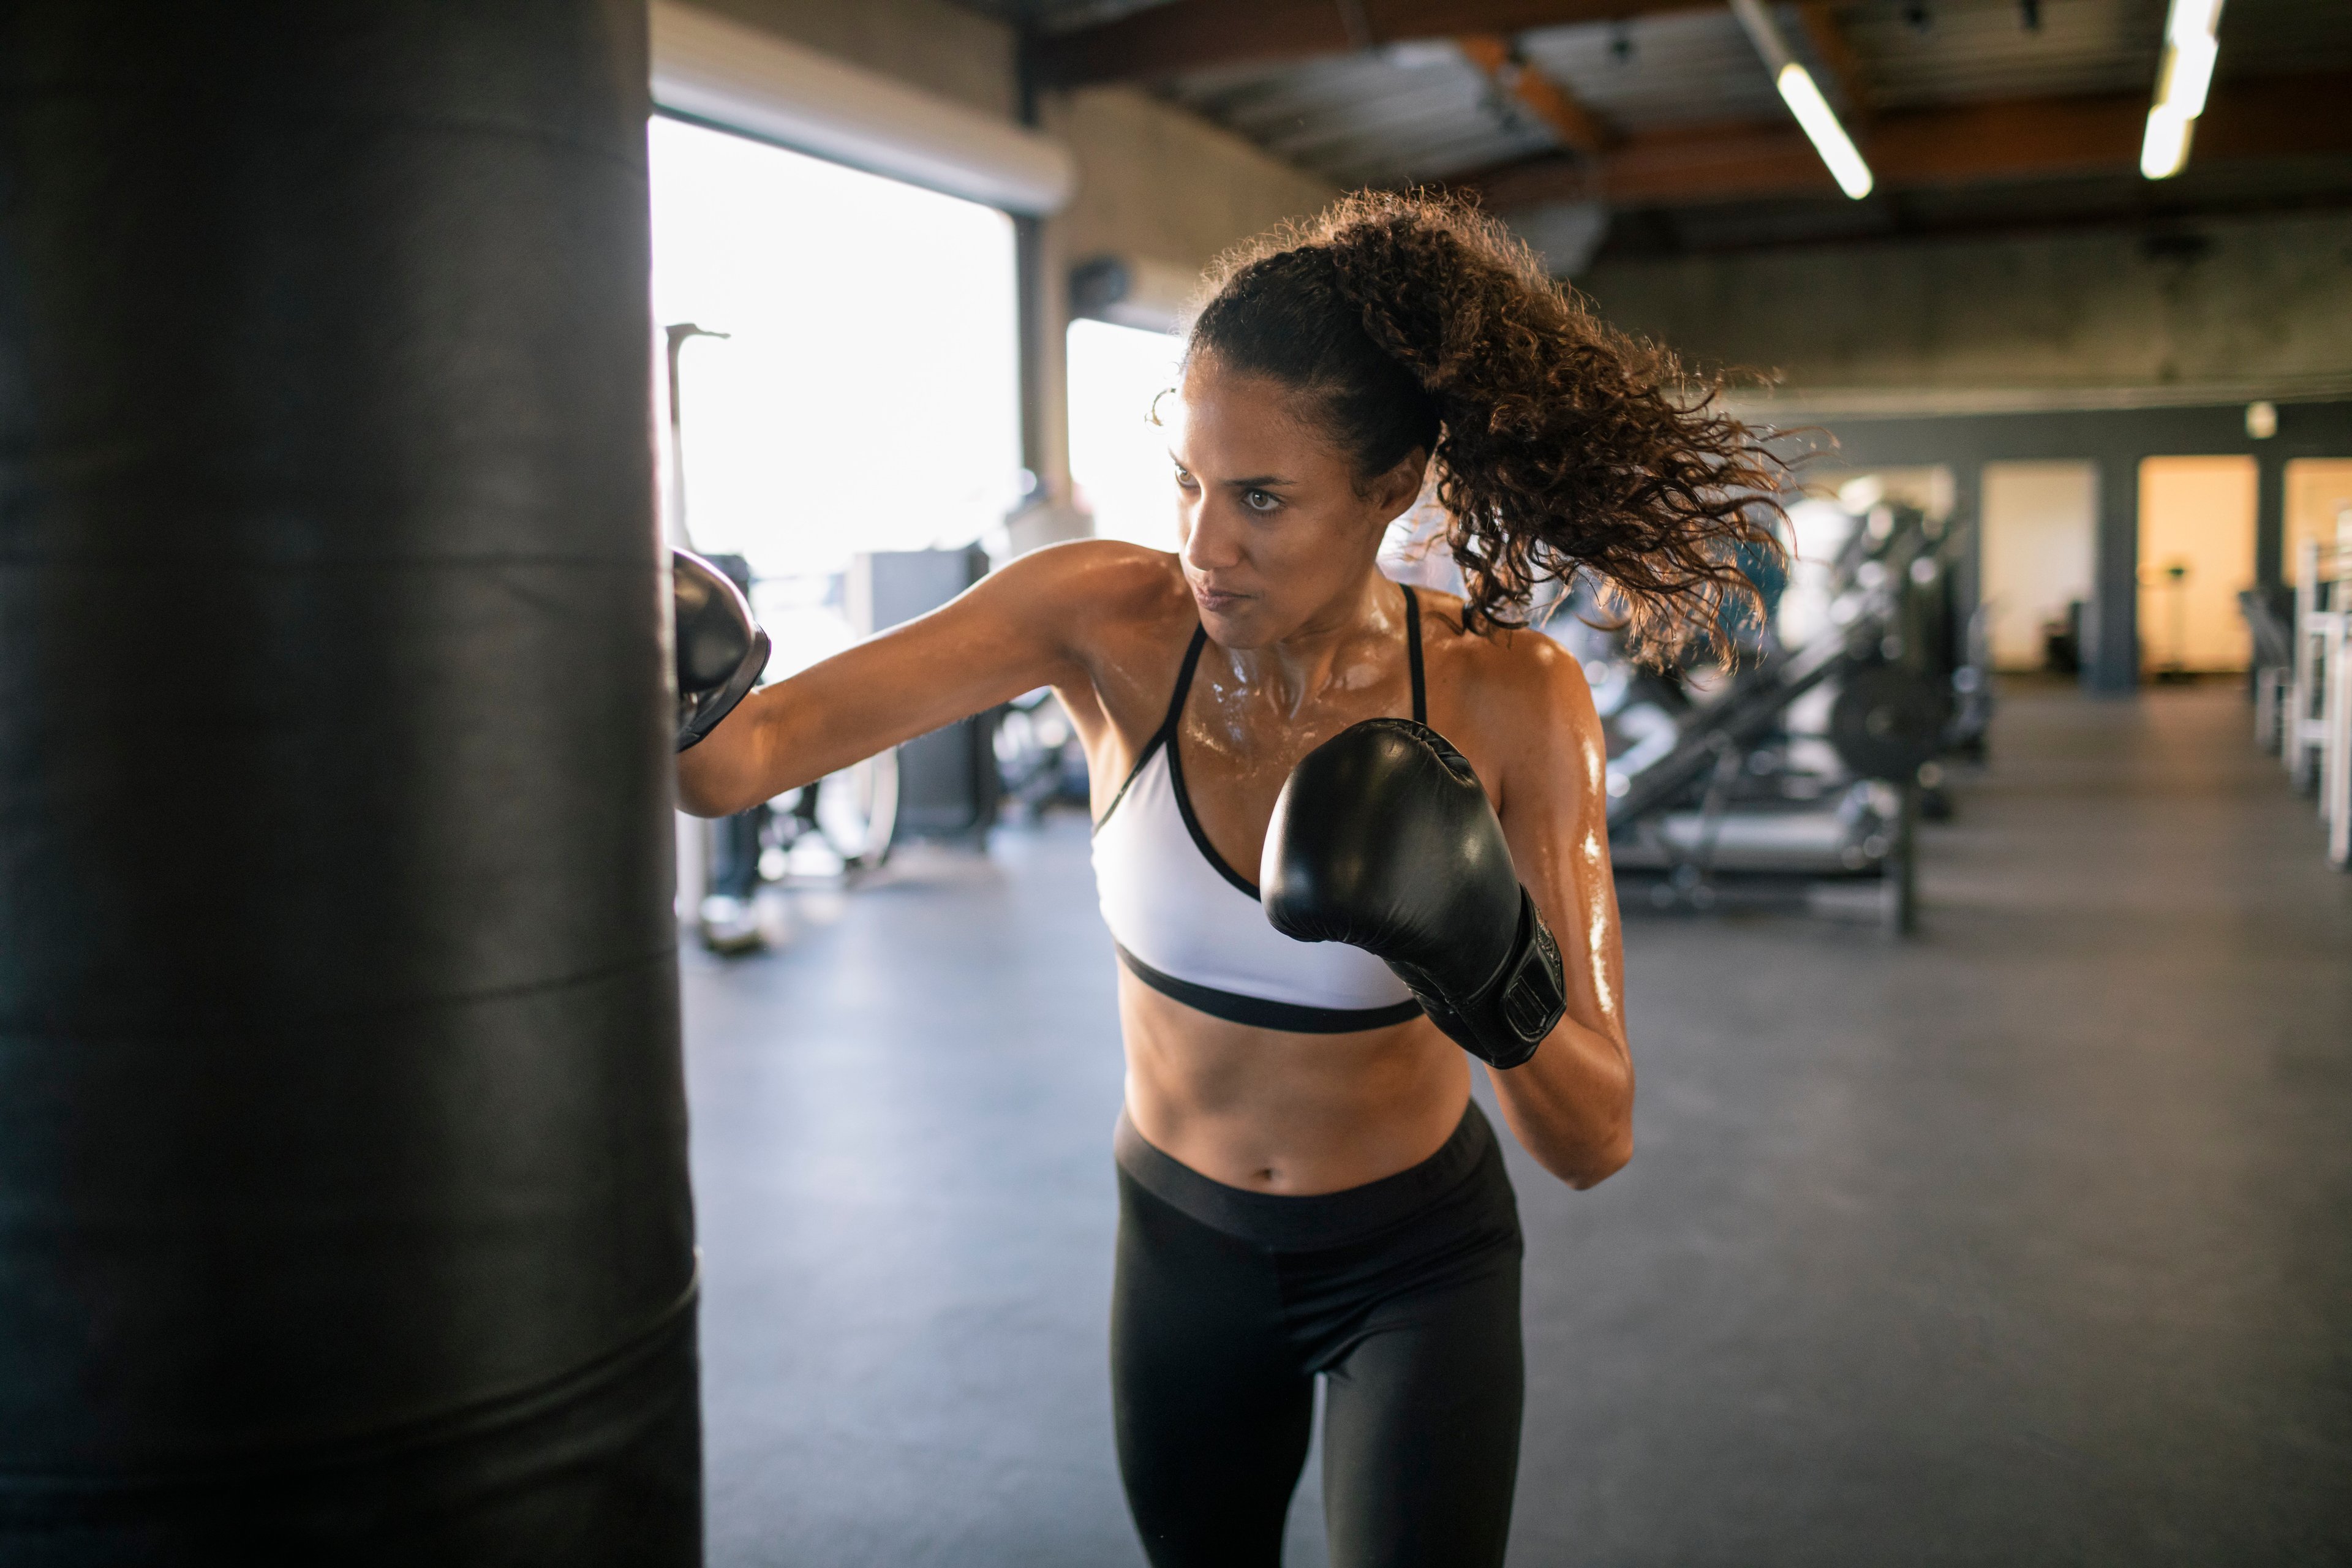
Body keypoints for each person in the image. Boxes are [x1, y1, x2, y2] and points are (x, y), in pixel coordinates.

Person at [676, 192, 1782, 1567]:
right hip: (1184, 1245)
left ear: (1391, 489)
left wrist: (1481, 956)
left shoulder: (1513, 695)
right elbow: (738, 764)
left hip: (1416, 1260)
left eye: (1262, 497)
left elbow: (1592, 1135)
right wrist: (667, 648)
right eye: (1189, 483)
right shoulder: (1102, 621)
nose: (1206, 545)